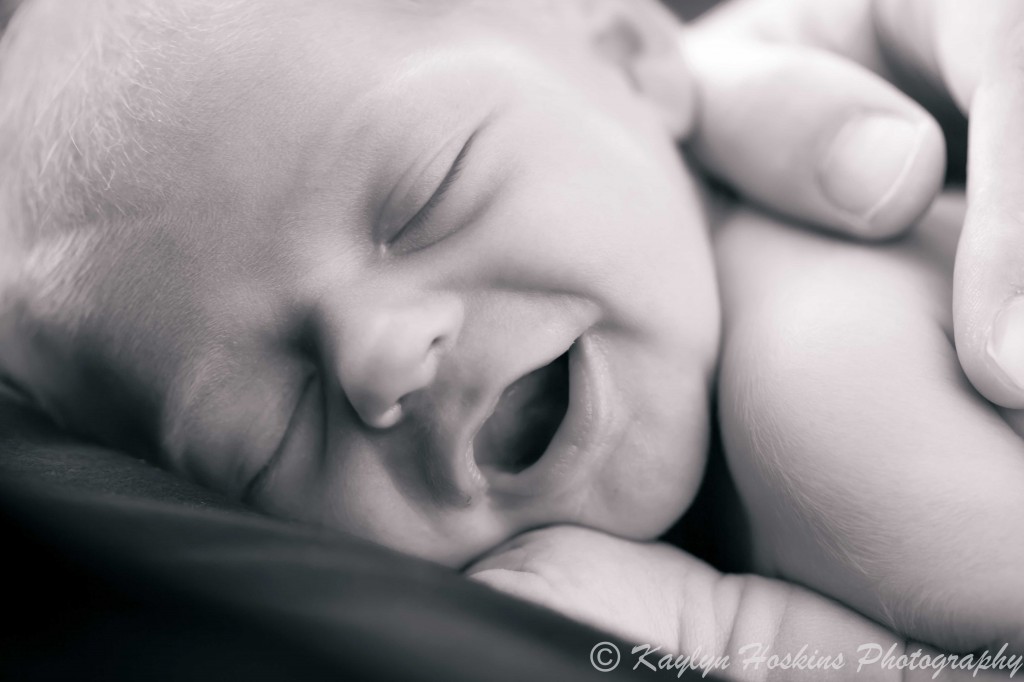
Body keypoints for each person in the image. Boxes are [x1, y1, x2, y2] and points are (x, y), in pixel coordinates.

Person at [0, 0, 1017, 678]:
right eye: (261, 432)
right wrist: (704, 626)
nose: (380, 355)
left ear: (631, 57)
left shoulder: (822, 368)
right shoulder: (602, 590)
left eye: (428, 191)